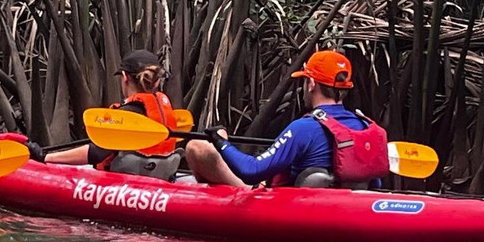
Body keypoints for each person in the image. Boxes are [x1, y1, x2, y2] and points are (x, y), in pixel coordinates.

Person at [185, 50, 388, 188]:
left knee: (195, 147)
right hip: (347, 206)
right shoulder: (363, 125)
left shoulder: (304, 128)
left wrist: (221, 142)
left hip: (300, 207)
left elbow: (251, 171)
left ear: (311, 84)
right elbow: (374, 183)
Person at [36, 49, 180, 179]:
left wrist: (45, 156)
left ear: (125, 77)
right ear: (156, 83)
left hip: (128, 184)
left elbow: (96, 153)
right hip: (159, 179)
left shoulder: (127, 114)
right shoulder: (164, 107)